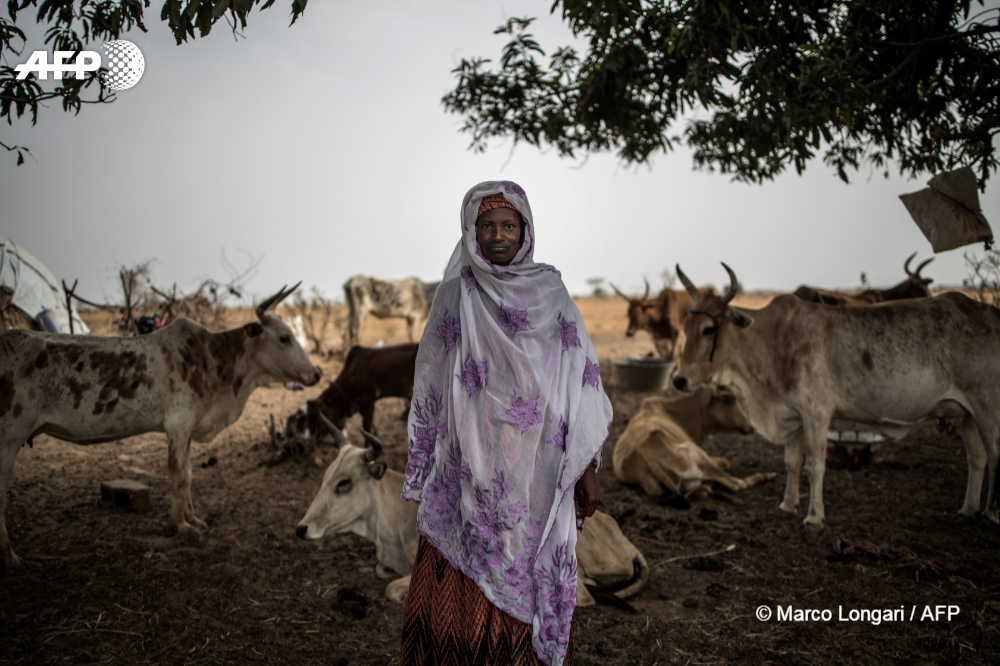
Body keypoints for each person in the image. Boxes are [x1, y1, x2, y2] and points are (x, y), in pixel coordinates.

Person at [400, 181, 613, 666]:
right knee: (466, 554)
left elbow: (579, 385)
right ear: (471, 232)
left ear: (525, 230)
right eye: (487, 226)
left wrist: (585, 469)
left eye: (509, 226)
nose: (498, 236)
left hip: (535, 464)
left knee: (524, 556)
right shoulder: (456, 294)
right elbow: (431, 374)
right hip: (467, 459)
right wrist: (426, 454)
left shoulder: (552, 295)